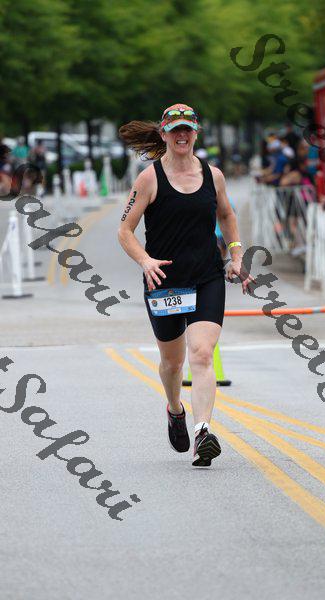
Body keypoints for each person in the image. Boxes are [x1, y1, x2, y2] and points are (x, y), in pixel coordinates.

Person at [118, 103, 253, 467]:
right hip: (164, 282)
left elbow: (226, 214)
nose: (181, 135)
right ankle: (175, 409)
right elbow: (125, 230)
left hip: (207, 276)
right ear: (164, 135)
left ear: (196, 134)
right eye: (175, 130)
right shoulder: (149, 179)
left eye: (187, 130)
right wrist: (145, 261)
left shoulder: (213, 176)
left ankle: (202, 432)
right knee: (172, 363)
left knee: (202, 354)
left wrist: (236, 255)